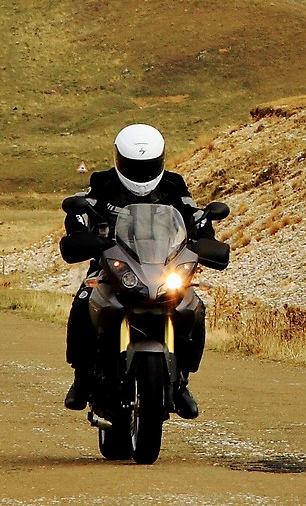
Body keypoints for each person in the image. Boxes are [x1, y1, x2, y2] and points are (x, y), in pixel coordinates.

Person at [60, 123, 215, 417]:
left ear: (160, 160)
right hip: (111, 264)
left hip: (164, 264)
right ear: (119, 159)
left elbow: (195, 215)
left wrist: (207, 237)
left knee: (194, 307)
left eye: (148, 165)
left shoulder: (173, 185)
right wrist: (80, 232)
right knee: (83, 302)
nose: (141, 172)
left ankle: (181, 381)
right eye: (134, 165)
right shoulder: (103, 182)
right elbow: (80, 209)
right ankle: (81, 377)